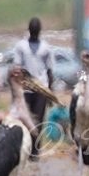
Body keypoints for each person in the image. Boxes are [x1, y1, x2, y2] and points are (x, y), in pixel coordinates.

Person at [13, 17, 56, 161]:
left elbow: (50, 71)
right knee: (25, 120)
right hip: (25, 88)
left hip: (41, 88)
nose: (35, 34)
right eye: (33, 32)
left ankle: (35, 152)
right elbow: (17, 68)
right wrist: (16, 91)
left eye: (36, 32)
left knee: (38, 120)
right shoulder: (21, 46)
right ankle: (25, 148)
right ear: (29, 30)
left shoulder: (45, 47)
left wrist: (50, 93)